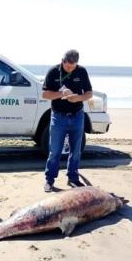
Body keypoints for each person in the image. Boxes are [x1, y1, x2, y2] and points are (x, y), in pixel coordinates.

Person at [42, 49, 93, 192]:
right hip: (58, 117)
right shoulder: (53, 71)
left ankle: (73, 178)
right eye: (67, 66)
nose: (70, 69)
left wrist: (78, 98)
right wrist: (60, 94)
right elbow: (45, 94)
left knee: (76, 150)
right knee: (55, 151)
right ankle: (49, 180)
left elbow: (89, 93)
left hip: (77, 115)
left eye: (73, 67)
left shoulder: (81, 71)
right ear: (62, 61)